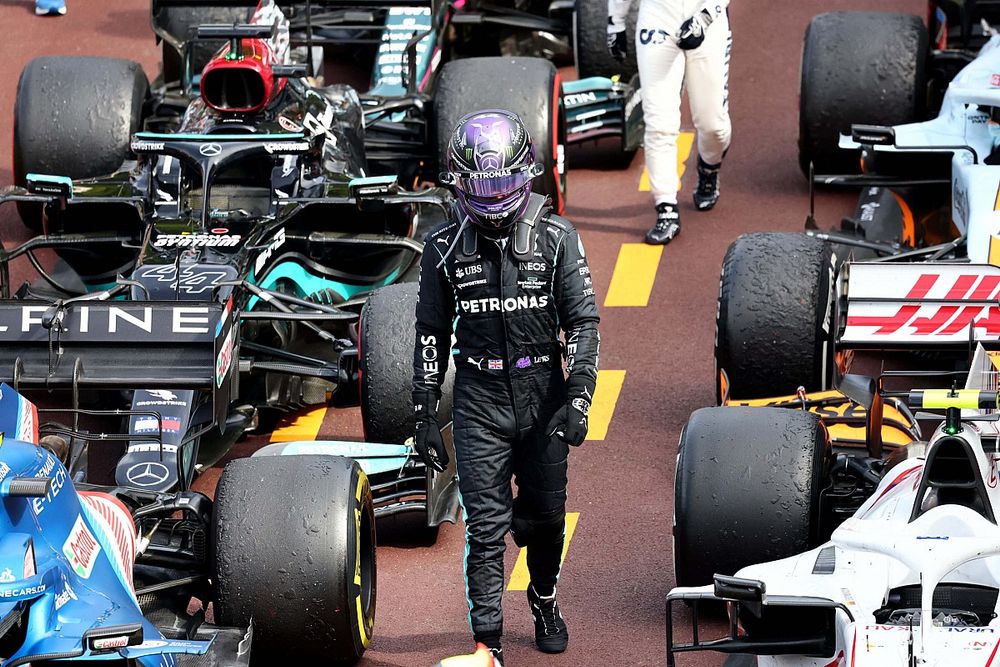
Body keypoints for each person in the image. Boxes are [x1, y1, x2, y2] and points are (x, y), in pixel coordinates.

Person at [412, 109, 600, 667]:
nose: (494, 197)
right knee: (486, 529)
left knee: (545, 518)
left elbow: (584, 321)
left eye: (504, 183)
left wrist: (579, 397)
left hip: (544, 397)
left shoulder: (558, 235)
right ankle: (487, 642)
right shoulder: (442, 248)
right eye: (482, 185)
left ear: (526, 176)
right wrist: (423, 411)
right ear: (460, 184)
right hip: (478, 403)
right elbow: (429, 332)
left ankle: (544, 599)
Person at [607, 0, 731, 244]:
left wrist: (704, 18)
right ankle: (666, 208)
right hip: (658, 17)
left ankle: (709, 166)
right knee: (659, 123)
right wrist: (615, 22)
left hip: (707, 19)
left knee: (713, 125)